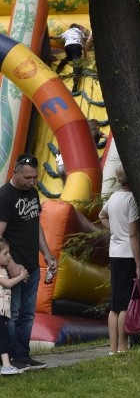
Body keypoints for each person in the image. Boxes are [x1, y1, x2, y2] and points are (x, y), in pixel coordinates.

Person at [0, 154, 56, 371]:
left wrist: (47, 254)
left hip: (32, 264)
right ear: (15, 173)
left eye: (34, 177)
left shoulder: (32, 192)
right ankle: (11, 357)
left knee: (27, 314)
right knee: (12, 315)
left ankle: (24, 355)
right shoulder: (5, 196)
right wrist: (11, 265)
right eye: (27, 178)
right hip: (14, 266)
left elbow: (36, 225)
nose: (32, 182)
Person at [98, 165, 140, 355]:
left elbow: (102, 215)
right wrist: (139, 263)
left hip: (114, 252)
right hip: (127, 253)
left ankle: (112, 348)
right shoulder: (131, 199)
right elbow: (133, 233)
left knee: (115, 303)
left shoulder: (114, 197)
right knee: (126, 303)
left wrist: (114, 230)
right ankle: (123, 346)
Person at [0, 239, 28, 375]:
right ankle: (6, 365)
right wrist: (21, 276)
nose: (9, 256)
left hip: (2, 312)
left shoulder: (3, 269)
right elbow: (7, 284)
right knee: (3, 336)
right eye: (5, 253)